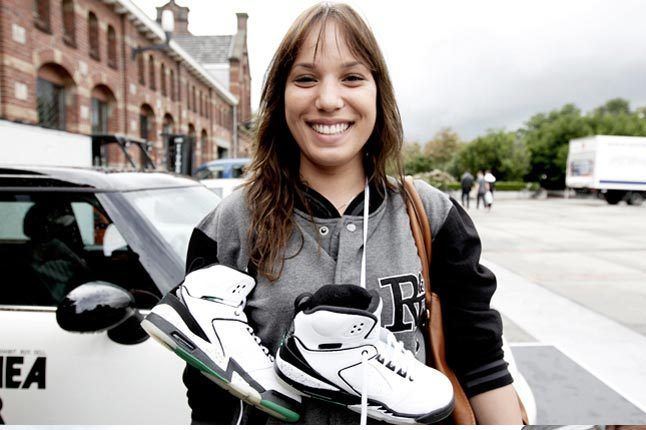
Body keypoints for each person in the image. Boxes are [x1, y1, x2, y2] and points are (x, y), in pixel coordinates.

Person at [179, 3, 522, 425]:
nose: (328, 100)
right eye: (305, 79)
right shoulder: (229, 223)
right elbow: (208, 389)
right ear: (280, 96)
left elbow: (481, 360)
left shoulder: (432, 215)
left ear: (378, 92)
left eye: (352, 78)